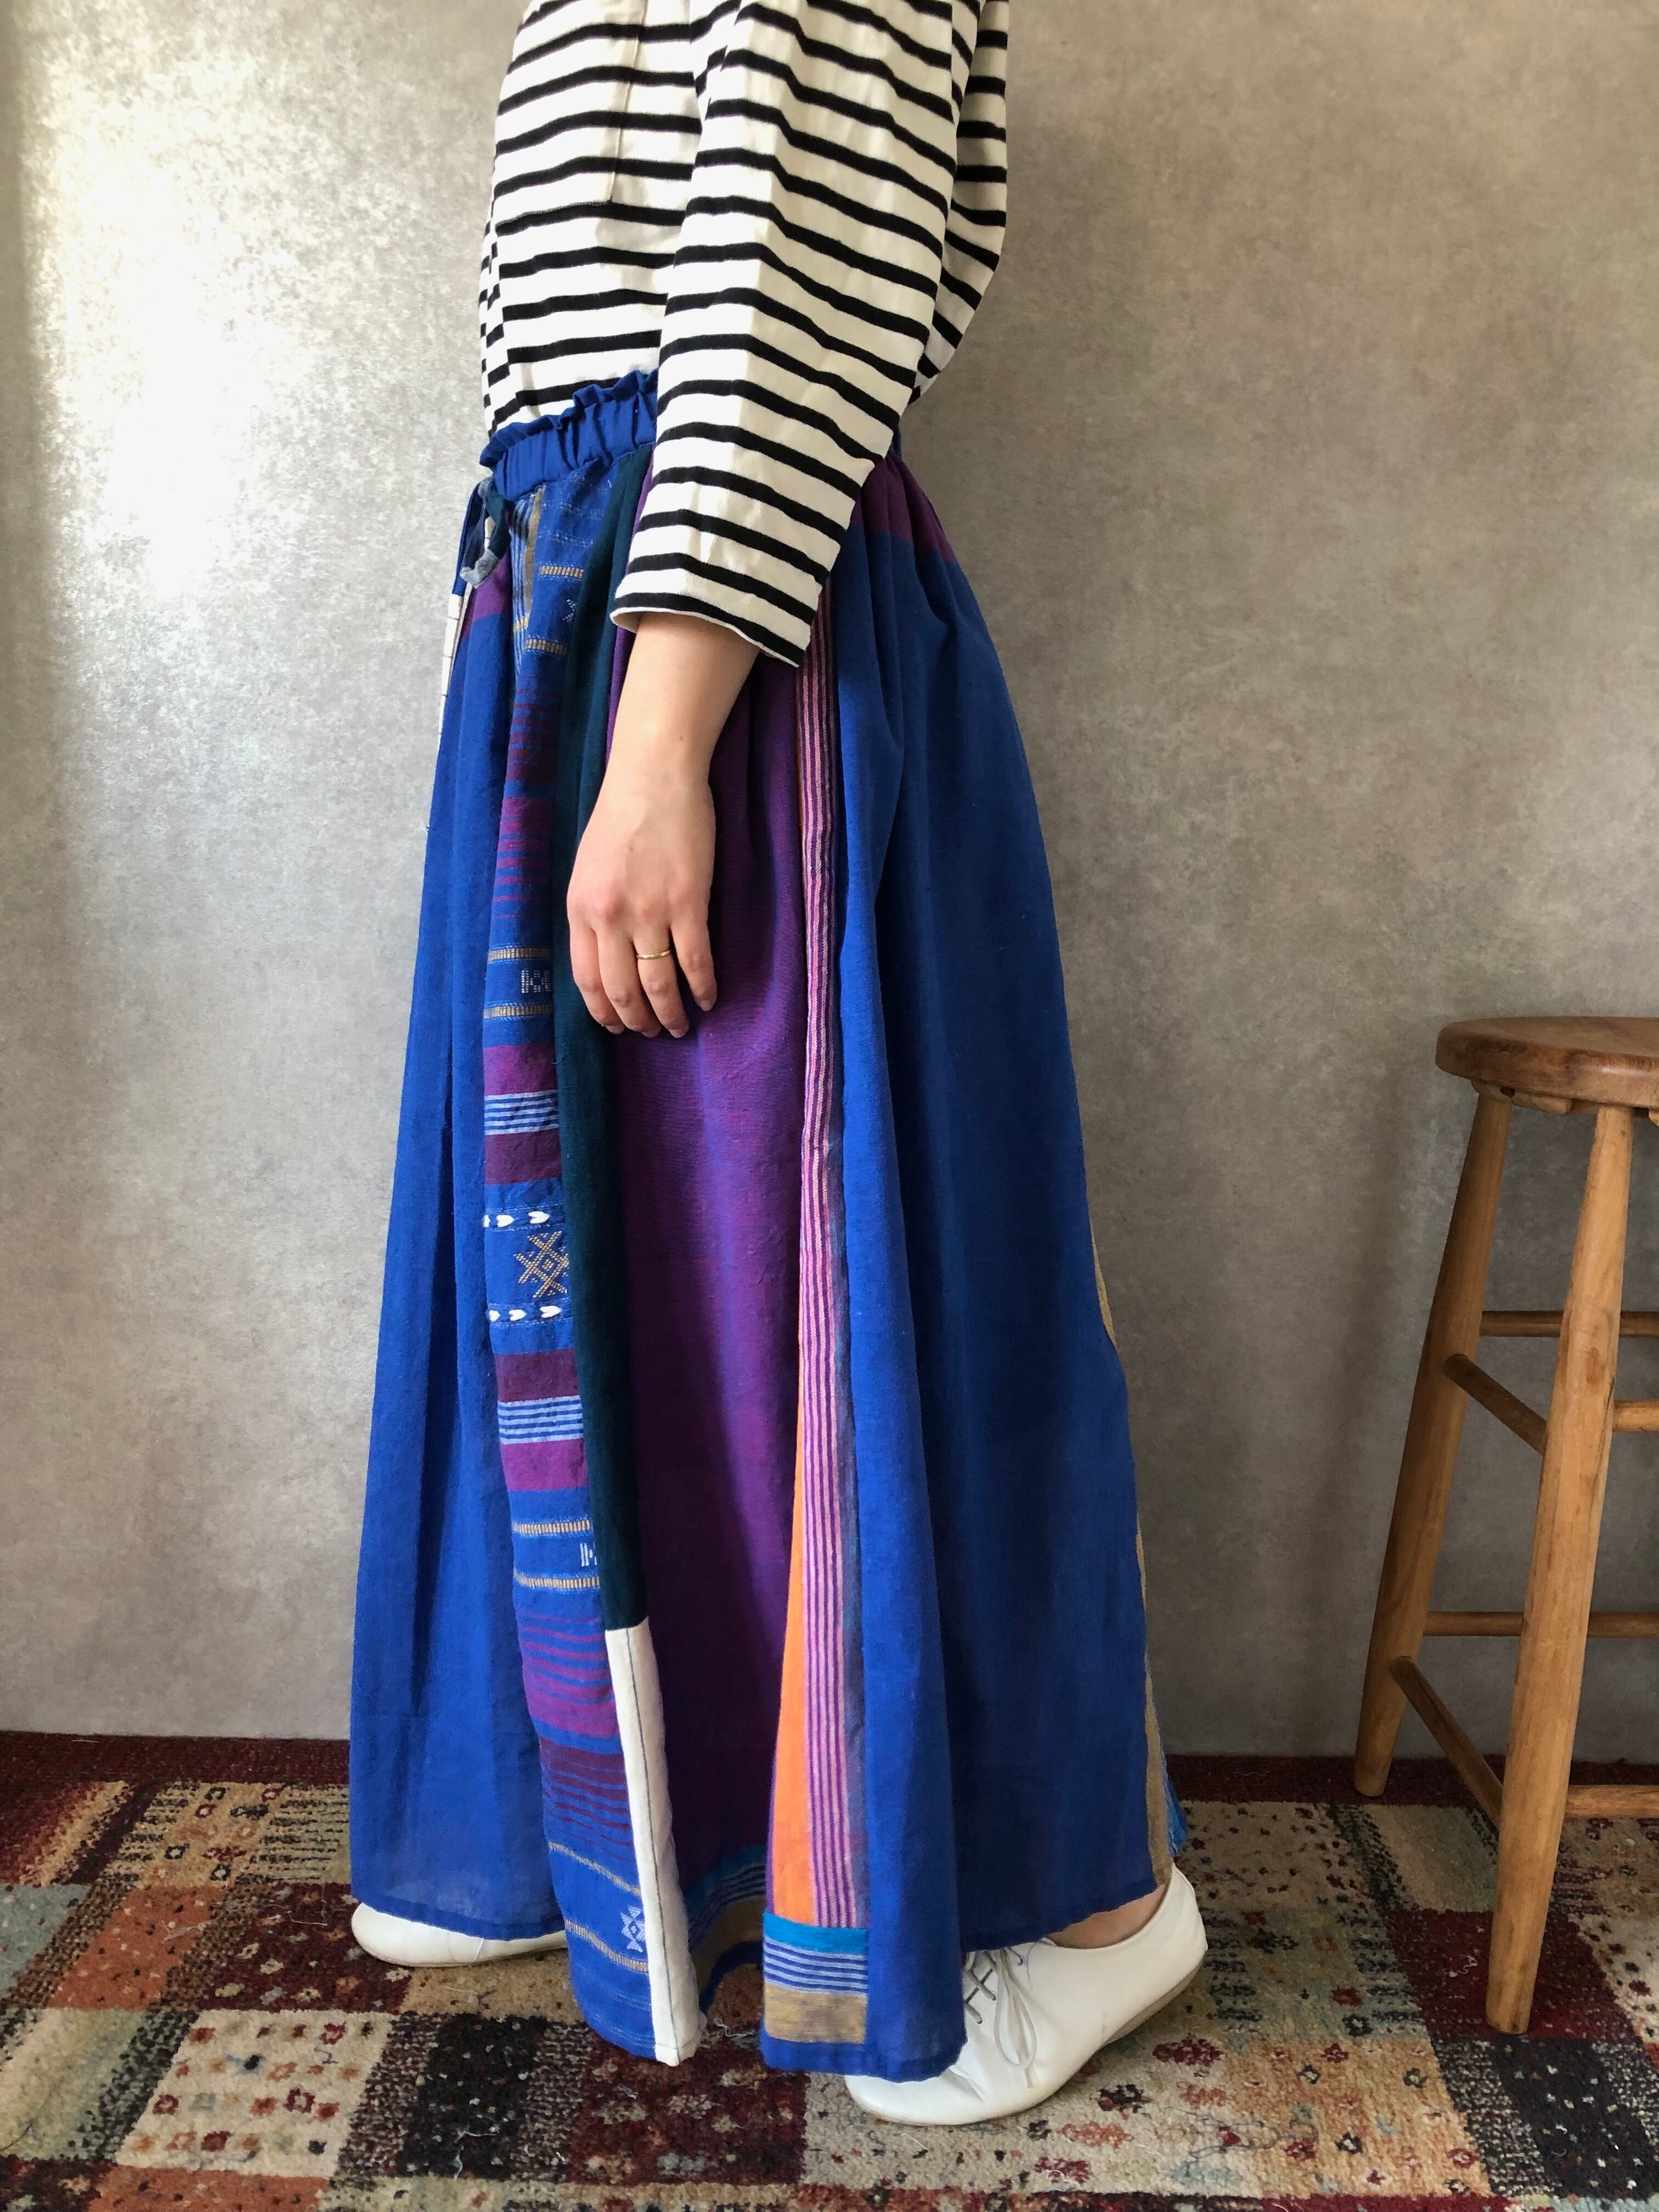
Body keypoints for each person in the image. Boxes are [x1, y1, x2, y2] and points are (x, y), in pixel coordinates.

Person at [347, 0, 1205, 2125]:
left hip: (731, 647)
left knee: (870, 1285)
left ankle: (1099, 1904)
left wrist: (662, 736)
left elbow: (794, 259)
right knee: (658, 1298)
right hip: (599, 615)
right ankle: (667, 1835)